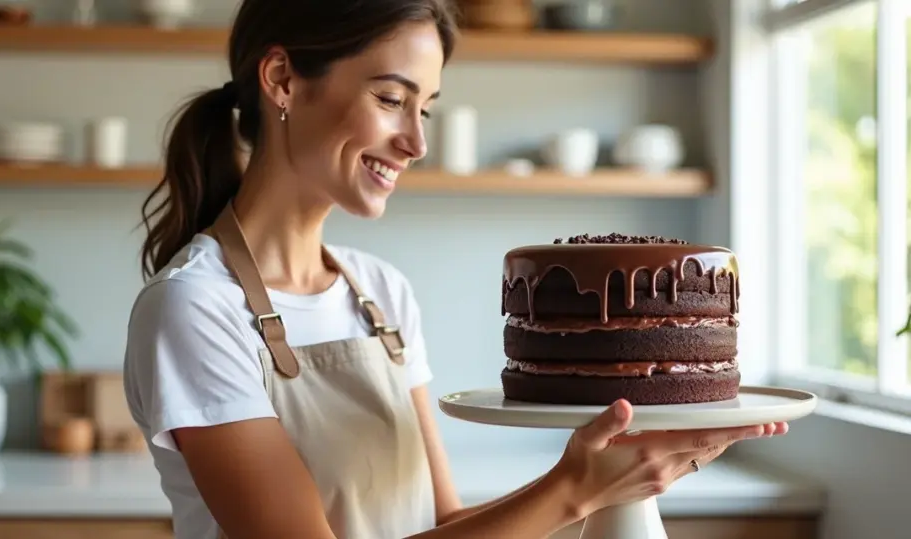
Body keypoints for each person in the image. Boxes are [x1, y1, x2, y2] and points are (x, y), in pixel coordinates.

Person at [121, 1, 787, 538]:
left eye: (426, 109)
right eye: (391, 99)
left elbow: (443, 524)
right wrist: (573, 488)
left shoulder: (380, 294)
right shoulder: (195, 307)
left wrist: (619, 478)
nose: (417, 142)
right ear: (282, 80)